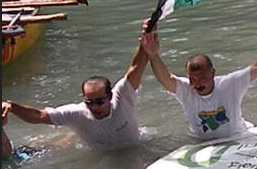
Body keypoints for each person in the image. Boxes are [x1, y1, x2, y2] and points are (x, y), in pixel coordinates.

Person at [2, 25, 149, 150]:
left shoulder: (121, 97)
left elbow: (135, 68)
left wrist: (146, 42)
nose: (95, 107)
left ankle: (70, 135)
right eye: (89, 102)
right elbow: (39, 116)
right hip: (102, 153)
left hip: (134, 147)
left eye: (99, 102)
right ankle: (70, 135)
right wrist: (12, 105)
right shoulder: (77, 113)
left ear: (110, 96)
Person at [142, 27, 257, 140]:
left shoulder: (229, 84)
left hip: (237, 137)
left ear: (213, 73)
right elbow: (165, 79)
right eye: (192, 79)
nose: (197, 84)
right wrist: (153, 54)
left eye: (202, 78)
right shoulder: (186, 90)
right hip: (202, 142)